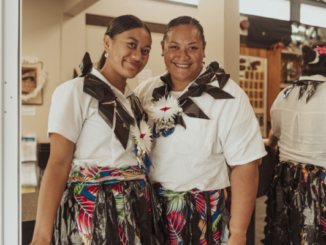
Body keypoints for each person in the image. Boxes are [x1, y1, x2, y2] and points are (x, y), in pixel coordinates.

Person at [30, 15, 164, 245]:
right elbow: (58, 163)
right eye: (131, 44)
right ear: (107, 43)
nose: (138, 55)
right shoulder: (75, 91)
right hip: (94, 208)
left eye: (145, 50)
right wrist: (41, 237)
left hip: (136, 209)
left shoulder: (134, 102)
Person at [134, 16, 266, 245]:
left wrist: (238, 233)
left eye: (192, 48)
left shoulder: (227, 95)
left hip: (204, 215)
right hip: (150, 212)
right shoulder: (146, 91)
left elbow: (246, 165)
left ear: (204, 50)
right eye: (174, 47)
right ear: (163, 49)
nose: (182, 56)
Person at [264, 41, 326, 245]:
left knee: (287, 236)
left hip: (287, 182)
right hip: (321, 186)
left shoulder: (284, 95)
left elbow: (274, 138)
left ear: (303, 63)